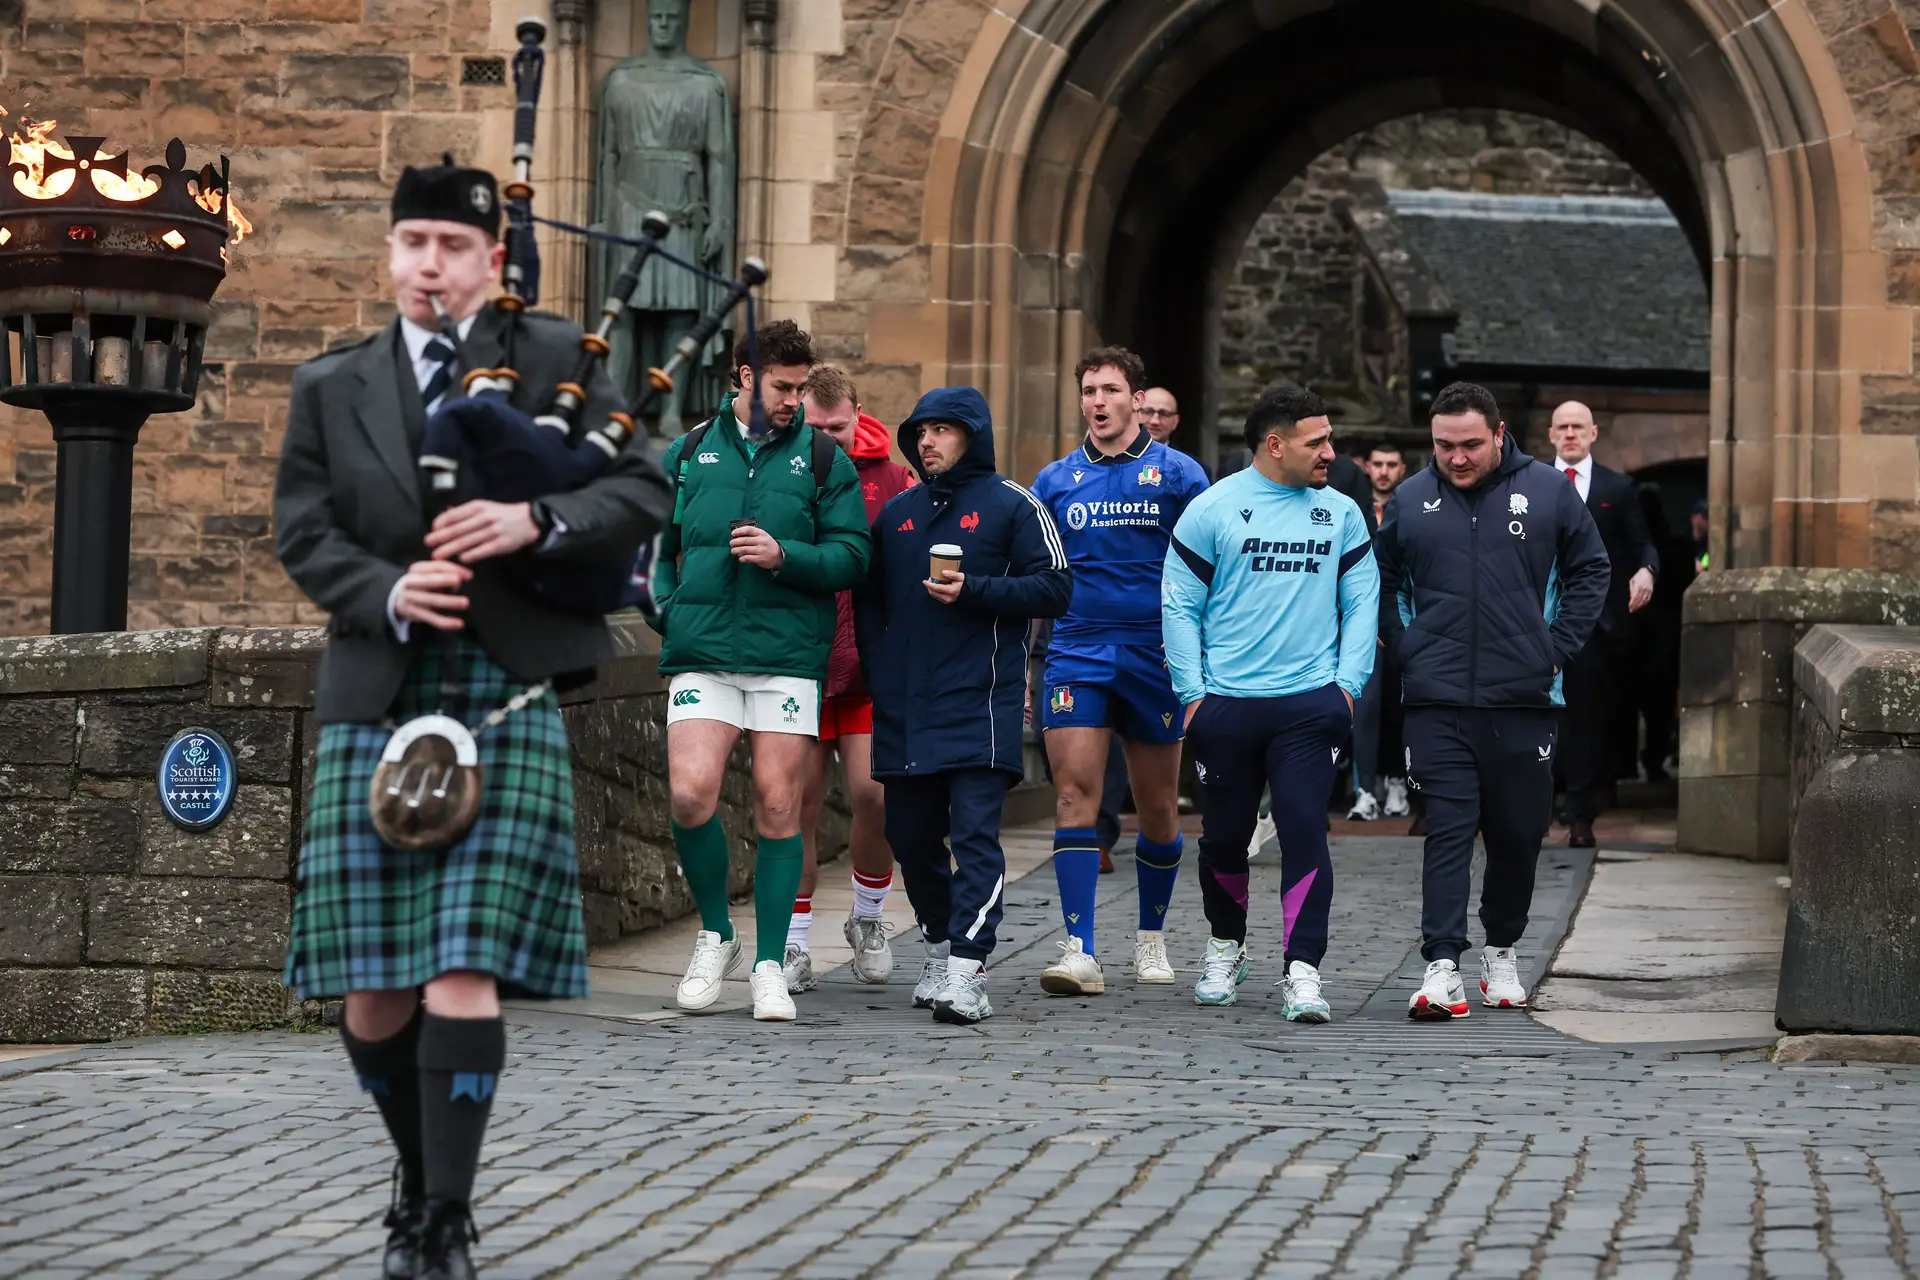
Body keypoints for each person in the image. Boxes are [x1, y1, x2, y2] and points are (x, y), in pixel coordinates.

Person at [275, 158, 673, 1279]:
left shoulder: (559, 359)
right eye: (413, 245)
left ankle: (442, 1221)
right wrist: (386, 591)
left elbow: (646, 490)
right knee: (371, 993)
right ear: (390, 253)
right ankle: (417, 1175)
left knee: (460, 965)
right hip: (380, 691)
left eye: (453, 247)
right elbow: (303, 528)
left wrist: (536, 519)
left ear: (490, 259)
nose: (430, 268)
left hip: (504, 693)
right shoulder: (331, 383)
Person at [652, 320, 871, 1023]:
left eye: (802, 387)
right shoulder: (688, 453)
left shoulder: (825, 458)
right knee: (691, 795)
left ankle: (771, 962)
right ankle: (717, 933)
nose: (794, 400)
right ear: (743, 378)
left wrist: (787, 558)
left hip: (784, 656)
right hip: (704, 649)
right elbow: (651, 549)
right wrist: (665, 609)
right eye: (783, 386)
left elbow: (853, 555)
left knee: (780, 805)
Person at [1376, 382, 1609, 1020]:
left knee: (1517, 834)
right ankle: (1442, 964)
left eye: (1470, 444)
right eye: (1444, 445)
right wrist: (1404, 645)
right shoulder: (1413, 497)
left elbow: (1592, 568)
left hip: (1524, 698)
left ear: (1499, 434)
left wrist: (1555, 646)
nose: (1456, 457)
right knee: (1447, 829)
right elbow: (1384, 575)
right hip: (1436, 697)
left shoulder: (1549, 492)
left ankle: (1501, 949)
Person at [855, 386, 1072, 1024]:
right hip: (905, 705)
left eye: (943, 430)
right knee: (909, 836)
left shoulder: (1015, 505)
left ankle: (966, 969)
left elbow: (1056, 587)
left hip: (982, 701)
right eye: (920, 431)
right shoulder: (895, 515)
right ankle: (936, 941)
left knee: (975, 836)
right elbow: (869, 601)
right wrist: (881, 667)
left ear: (972, 435)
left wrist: (973, 589)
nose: (927, 441)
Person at [1163, 383, 1378, 1021]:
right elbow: (1179, 606)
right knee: (1225, 839)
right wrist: (1193, 696)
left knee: (1305, 828)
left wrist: (1346, 688)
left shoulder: (1340, 512)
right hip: (1225, 705)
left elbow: (1363, 601)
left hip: (1310, 706)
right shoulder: (1211, 509)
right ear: (1275, 444)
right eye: (1318, 442)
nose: (1331, 454)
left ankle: (1303, 969)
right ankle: (1225, 945)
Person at [1030, 348, 1210, 995]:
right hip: (1077, 648)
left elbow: (1208, 569)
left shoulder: (1181, 475)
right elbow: (1038, 578)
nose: (1098, 402)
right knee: (1074, 796)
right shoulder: (1054, 481)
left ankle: (1152, 937)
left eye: (1110, 390)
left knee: (1159, 807)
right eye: (1088, 391)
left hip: (1154, 654)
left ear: (1138, 400)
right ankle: (1079, 948)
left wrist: (1202, 664)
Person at [783, 365, 916, 993]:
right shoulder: (782, 472)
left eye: (838, 428)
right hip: (799, 666)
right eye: (816, 428)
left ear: (859, 415)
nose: (829, 440)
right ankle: (793, 943)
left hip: (866, 667)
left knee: (876, 796)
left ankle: (867, 918)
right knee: (795, 808)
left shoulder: (893, 480)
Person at [1547, 400, 1658, 848]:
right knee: (1538, 717)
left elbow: (1642, 543)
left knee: (1588, 719)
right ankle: (1537, 805)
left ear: (1593, 434)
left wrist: (1647, 570)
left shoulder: (1618, 486)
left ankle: (1580, 814)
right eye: (1563, 427)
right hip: (1539, 620)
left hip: (1596, 623)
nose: (1570, 433)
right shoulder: (1527, 485)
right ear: (1551, 435)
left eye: (1579, 427)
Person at [1362, 442, 1411, 819]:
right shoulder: (1354, 509)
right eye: (1377, 464)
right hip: (1359, 623)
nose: (1384, 471)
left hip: (1401, 620)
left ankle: (1398, 782)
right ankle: (1365, 788)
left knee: (1398, 704)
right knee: (1364, 707)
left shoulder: (1413, 507)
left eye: (1391, 464)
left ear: (1402, 468)